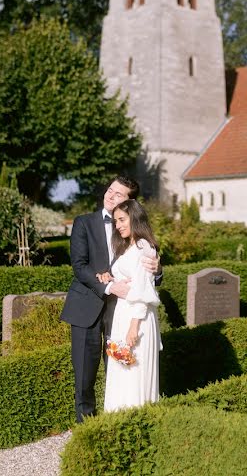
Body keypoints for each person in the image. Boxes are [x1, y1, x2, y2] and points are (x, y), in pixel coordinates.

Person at [60, 176, 160, 423]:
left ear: (129, 202)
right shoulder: (83, 222)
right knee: (84, 375)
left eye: (118, 194)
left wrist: (156, 269)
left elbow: (145, 266)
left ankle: (115, 422)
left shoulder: (130, 229)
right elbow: (79, 266)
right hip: (87, 305)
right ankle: (86, 428)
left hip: (120, 312)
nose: (110, 195)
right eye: (110, 190)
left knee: (120, 371)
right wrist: (108, 286)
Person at [102, 199, 162, 411]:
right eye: (116, 221)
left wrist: (134, 326)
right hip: (123, 313)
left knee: (135, 374)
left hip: (137, 317)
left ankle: (136, 421)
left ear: (134, 218)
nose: (117, 225)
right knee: (121, 371)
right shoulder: (129, 246)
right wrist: (109, 279)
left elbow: (143, 289)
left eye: (122, 220)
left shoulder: (144, 246)